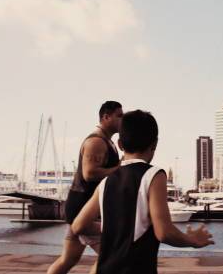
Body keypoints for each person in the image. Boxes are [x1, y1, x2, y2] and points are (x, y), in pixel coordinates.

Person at [72, 110, 214, 274]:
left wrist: (113, 228)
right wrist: (192, 240)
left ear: (120, 145)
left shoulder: (106, 182)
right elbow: (164, 232)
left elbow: (78, 225)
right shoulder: (154, 176)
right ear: (154, 144)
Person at [47, 101, 123, 274]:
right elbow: (89, 174)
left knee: (69, 259)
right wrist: (120, 168)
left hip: (80, 209)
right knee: (111, 255)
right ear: (106, 117)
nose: (122, 120)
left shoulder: (108, 142)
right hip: (83, 211)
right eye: (119, 116)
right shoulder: (96, 142)